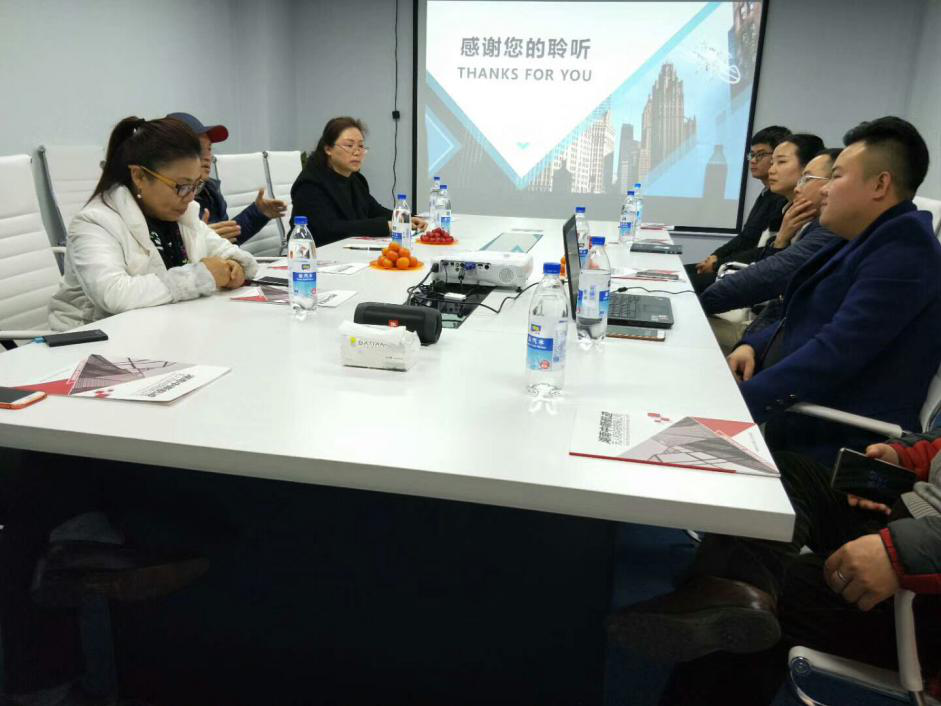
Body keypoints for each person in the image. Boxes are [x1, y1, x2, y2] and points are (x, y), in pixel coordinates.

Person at [608, 428, 941, 705]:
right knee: (783, 480)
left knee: (782, 598)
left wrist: (902, 552)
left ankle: (722, 603)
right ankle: (732, 597)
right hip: (914, 519)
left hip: (926, 588)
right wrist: (904, 456)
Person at [727, 117, 941, 465]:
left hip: (835, 448)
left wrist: (734, 404)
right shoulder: (865, 236)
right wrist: (754, 344)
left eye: (837, 176)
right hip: (798, 419)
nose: (824, 189)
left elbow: (833, 353)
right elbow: (804, 314)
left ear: (880, 184)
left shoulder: (905, 254)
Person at [48, 116, 258, 331]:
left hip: (163, 330)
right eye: (182, 186)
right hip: (92, 339)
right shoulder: (95, 222)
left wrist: (235, 267)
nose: (190, 197)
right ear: (139, 176)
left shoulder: (181, 213)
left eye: (196, 185)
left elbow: (231, 254)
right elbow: (113, 294)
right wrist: (202, 276)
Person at [702, 148, 842, 347]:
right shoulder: (799, 218)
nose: (771, 170)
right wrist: (780, 241)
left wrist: (750, 344)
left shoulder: (831, 230)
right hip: (765, 329)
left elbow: (773, 276)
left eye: (806, 179)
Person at [289, 117, 426, 247]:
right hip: (316, 255)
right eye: (349, 145)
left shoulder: (355, 179)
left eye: (361, 146)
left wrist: (403, 218)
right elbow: (329, 229)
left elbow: (373, 209)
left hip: (347, 250)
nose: (357, 152)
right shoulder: (310, 184)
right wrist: (386, 226)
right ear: (328, 149)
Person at [687, 125, 791, 293]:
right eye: (752, 154)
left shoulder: (782, 199)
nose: (753, 160)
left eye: (761, 155)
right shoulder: (766, 194)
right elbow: (745, 237)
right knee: (681, 273)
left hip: (749, 272)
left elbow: (760, 249)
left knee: (684, 284)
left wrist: (717, 264)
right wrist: (715, 256)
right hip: (734, 266)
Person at [166, 112, 287, 245]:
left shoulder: (210, 192)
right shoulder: (164, 198)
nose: (208, 157)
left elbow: (228, 239)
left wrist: (258, 213)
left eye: (209, 149)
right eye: (199, 149)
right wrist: (200, 240)